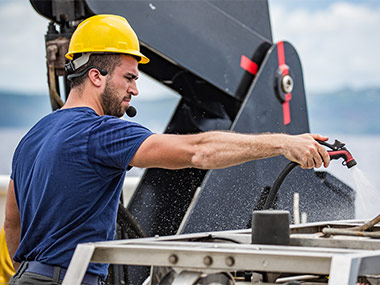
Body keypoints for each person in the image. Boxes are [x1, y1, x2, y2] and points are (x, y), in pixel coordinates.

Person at [4, 14, 330, 285]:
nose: (135, 88)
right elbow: (197, 152)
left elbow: (12, 224)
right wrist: (283, 143)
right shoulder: (101, 133)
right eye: (128, 77)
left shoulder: (32, 137)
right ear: (96, 76)